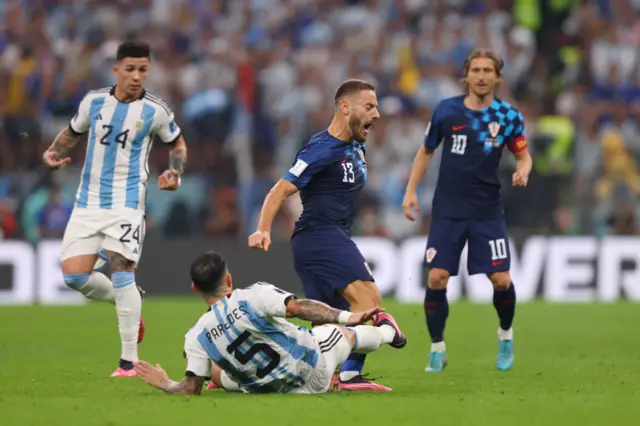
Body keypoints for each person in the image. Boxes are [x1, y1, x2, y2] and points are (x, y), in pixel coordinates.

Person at [41, 41, 187, 377]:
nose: (137, 77)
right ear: (117, 70)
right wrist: (53, 152)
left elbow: (176, 142)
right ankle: (128, 301)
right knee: (74, 277)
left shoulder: (156, 110)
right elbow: (72, 132)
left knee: (122, 268)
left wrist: (174, 172)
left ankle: (128, 363)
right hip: (87, 203)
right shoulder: (94, 102)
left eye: (143, 70)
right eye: (131, 69)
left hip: (127, 203)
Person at [247, 79, 402, 391]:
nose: (378, 114)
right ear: (345, 107)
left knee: (327, 323)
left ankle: (253, 368)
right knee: (369, 303)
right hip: (320, 236)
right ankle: (349, 374)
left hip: (326, 238)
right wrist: (263, 228)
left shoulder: (356, 145)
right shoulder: (320, 149)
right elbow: (280, 189)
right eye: (370, 106)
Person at [402, 48, 533, 373]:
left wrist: (524, 169)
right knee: (437, 277)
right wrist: (410, 191)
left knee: (501, 280)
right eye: (476, 70)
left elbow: (523, 155)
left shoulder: (507, 116)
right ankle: (437, 348)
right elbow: (426, 151)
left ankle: (505, 335)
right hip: (448, 210)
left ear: (497, 77)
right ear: (467, 75)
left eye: (488, 70)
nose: (482, 76)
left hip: (487, 211)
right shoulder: (447, 111)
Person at [133, 251, 407, 395]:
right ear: (229, 280)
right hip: (313, 372)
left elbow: (191, 388)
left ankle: (226, 378)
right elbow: (300, 308)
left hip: (268, 390)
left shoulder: (195, 336)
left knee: (220, 371)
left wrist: (165, 382)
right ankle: (386, 330)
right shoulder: (251, 295)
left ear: (195, 288)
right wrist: (347, 316)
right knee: (343, 335)